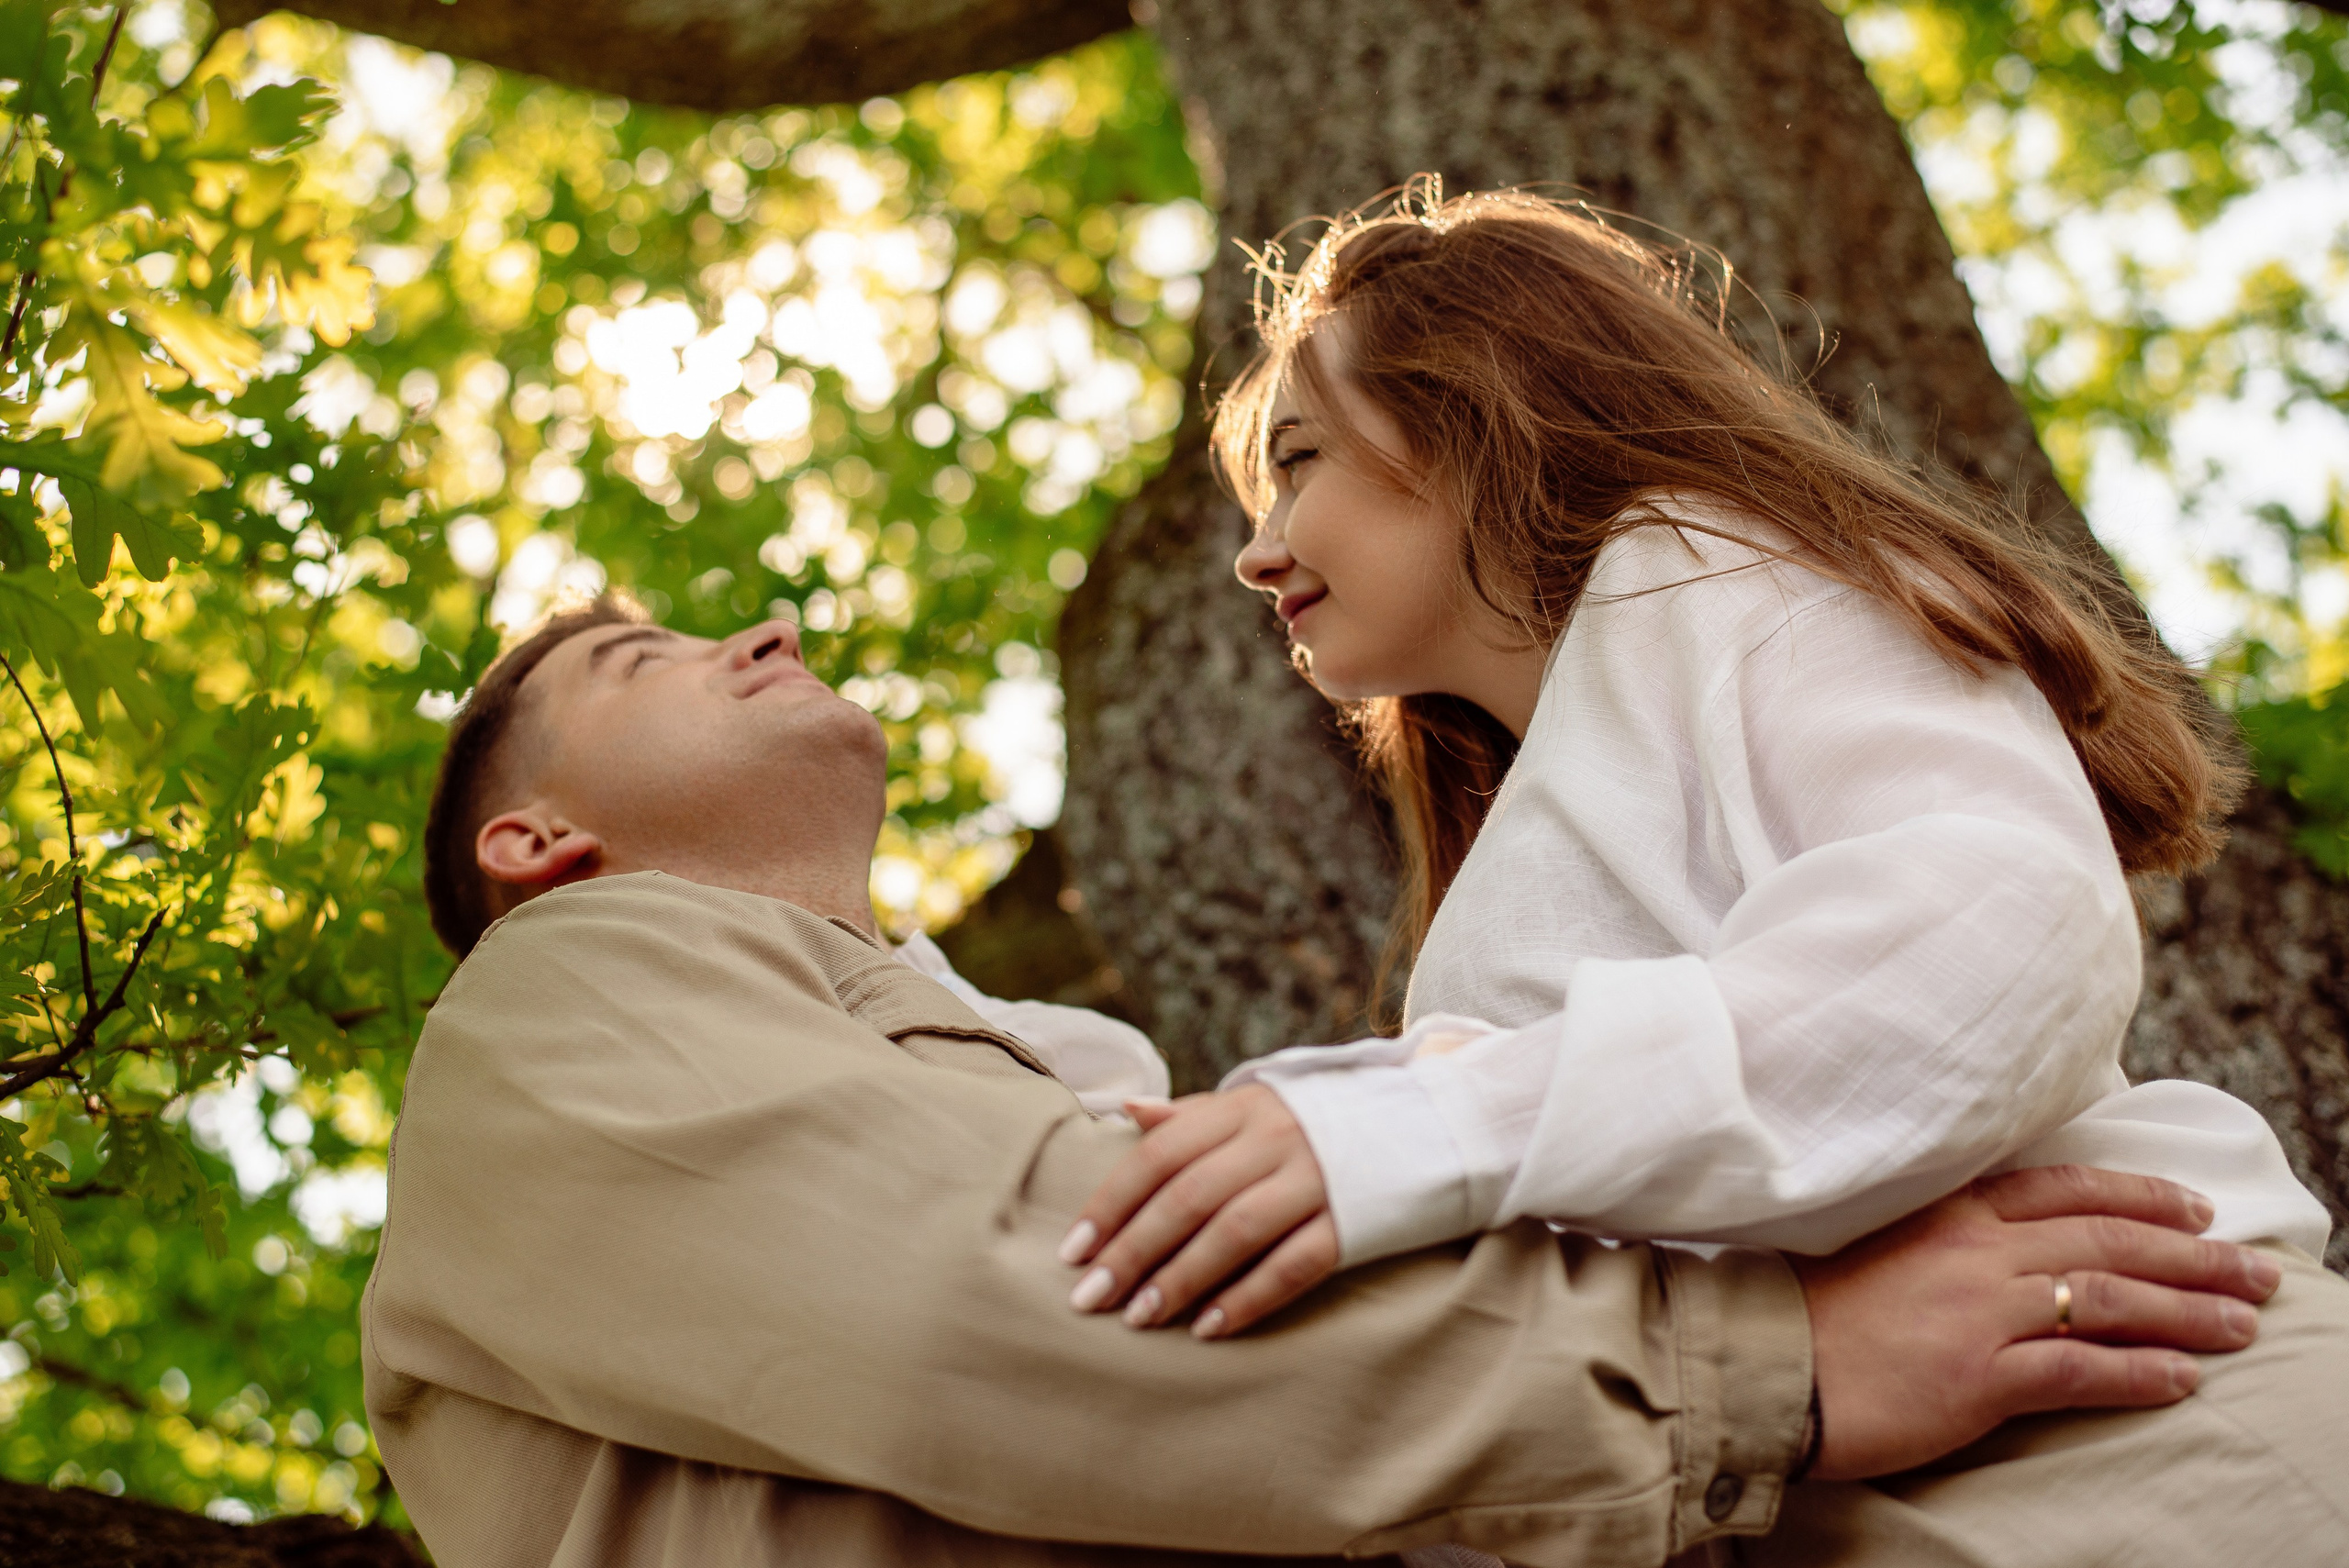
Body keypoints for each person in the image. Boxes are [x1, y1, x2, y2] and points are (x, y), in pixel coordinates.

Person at [365, 596, 2277, 1568]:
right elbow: (1022, 1293)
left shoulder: (947, 1041)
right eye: (644, 656)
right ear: (536, 843)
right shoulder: (572, 986)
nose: (762, 628)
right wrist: (1767, 1368)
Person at [1052, 185, 2349, 1562]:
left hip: (2141, 1430)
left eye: (1299, 460)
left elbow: (1989, 923)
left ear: (1470, 399)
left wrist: (1417, 1125)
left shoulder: (1702, 563)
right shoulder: (1531, 819)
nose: (1260, 556)